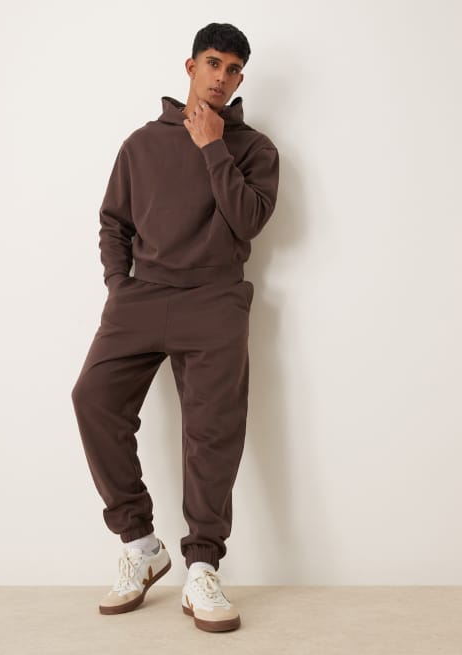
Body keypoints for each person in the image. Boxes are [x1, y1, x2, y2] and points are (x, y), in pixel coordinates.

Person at [71, 22, 279, 633]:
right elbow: (114, 221)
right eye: (213, 63)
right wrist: (119, 286)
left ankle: (203, 567)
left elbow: (247, 221)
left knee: (212, 433)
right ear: (190, 67)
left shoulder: (254, 149)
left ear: (240, 78)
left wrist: (214, 147)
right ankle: (141, 545)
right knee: (93, 399)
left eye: (234, 70)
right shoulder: (141, 144)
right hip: (142, 297)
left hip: (215, 299)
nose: (222, 77)